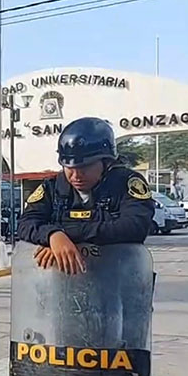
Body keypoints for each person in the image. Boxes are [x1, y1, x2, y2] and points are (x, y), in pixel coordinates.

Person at [18, 117, 155, 275]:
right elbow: (25, 223)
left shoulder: (126, 184)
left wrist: (66, 236)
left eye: (84, 167)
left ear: (106, 162)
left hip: (117, 281)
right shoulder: (52, 187)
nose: (76, 176)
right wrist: (51, 235)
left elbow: (135, 226)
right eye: (69, 167)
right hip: (61, 286)